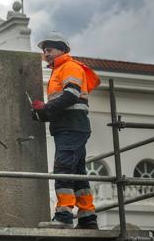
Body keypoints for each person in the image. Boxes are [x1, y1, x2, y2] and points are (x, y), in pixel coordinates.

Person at [32, 31, 101, 229]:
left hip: (72, 127)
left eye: (50, 49)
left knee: (63, 168)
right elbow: (62, 102)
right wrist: (42, 113)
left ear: (62, 50)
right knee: (77, 172)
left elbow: (71, 95)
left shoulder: (69, 67)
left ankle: (63, 216)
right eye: (44, 51)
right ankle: (88, 218)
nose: (46, 53)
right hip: (71, 126)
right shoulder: (59, 70)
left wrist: (45, 108)